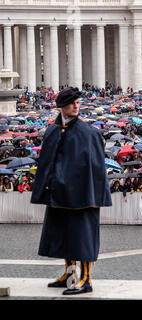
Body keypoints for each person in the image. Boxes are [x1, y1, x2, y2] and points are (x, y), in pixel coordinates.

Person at [31, 87, 112, 295]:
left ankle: (86, 280)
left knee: (82, 237)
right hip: (59, 194)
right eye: (72, 103)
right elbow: (47, 163)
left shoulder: (89, 133)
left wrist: (90, 194)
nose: (76, 106)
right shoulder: (53, 130)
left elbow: (95, 169)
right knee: (63, 234)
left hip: (83, 196)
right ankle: (70, 273)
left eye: (78, 103)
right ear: (61, 106)